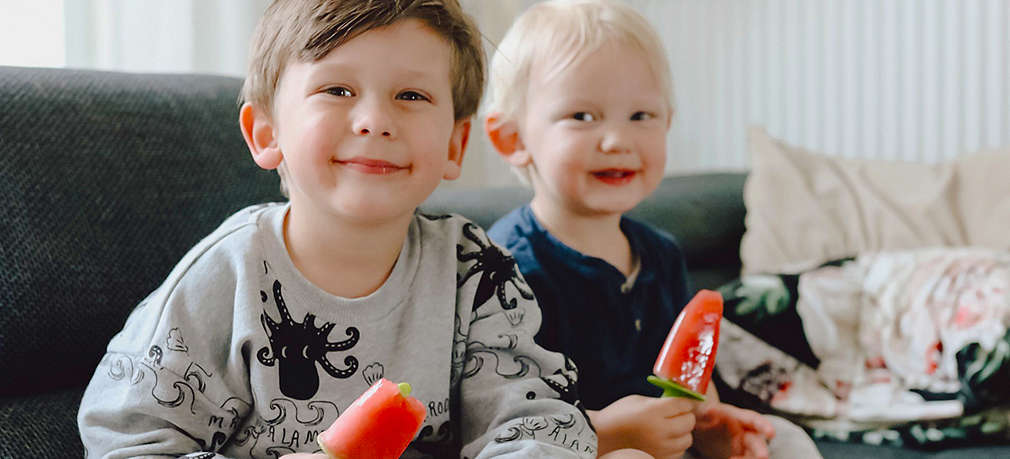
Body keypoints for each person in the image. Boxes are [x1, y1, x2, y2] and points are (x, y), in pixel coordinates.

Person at [77, 1, 597, 457]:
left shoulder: (473, 271)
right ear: (266, 133)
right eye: (337, 89)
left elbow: (531, 420)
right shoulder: (224, 277)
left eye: (412, 96)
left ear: (455, 147)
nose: (374, 120)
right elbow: (127, 440)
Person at [484, 1, 821, 458]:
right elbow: (509, 425)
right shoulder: (505, 269)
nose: (618, 140)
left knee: (783, 440)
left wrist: (714, 427)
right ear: (514, 138)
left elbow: (691, 388)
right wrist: (611, 436)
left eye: (641, 116)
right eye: (582, 116)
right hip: (578, 451)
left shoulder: (662, 255)